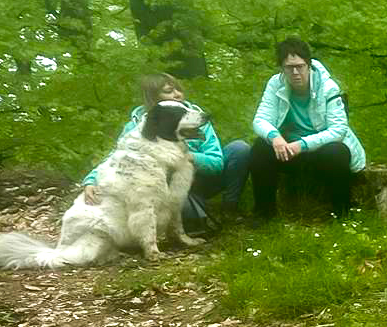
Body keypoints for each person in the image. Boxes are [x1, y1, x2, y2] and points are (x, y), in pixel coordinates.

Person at [80, 74, 240, 235]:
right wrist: (91, 180)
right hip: (166, 185)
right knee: (189, 219)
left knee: (239, 149)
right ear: (153, 98)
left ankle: (230, 210)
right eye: (169, 91)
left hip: (202, 179)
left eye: (178, 88)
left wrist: (189, 157)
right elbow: (116, 158)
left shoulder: (196, 118)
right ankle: (188, 214)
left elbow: (216, 163)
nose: (177, 94)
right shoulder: (137, 125)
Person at [231, 37, 366, 220]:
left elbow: (338, 130)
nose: (295, 72)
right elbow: (261, 119)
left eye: (300, 66)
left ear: (309, 65)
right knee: (260, 148)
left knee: (337, 151)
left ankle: (342, 213)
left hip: (320, 151)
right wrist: (275, 137)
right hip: (289, 150)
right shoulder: (275, 83)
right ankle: (264, 213)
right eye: (289, 67)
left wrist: (302, 144)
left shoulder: (328, 87)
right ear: (282, 68)